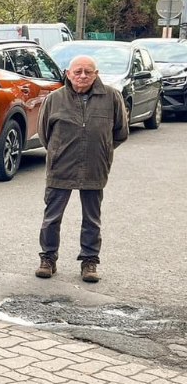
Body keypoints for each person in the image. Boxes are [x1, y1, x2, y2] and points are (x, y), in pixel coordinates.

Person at [35, 54, 128, 283]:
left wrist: (103, 150)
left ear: (96, 74)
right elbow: (44, 134)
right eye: (78, 71)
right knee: (51, 218)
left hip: (95, 166)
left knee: (92, 219)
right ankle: (48, 259)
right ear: (68, 73)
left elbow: (120, 132)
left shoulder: (112, 97)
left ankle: (90, 262)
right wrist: (60, 151)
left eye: (88, 72)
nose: (83, 76)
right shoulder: (55, 99)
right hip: (61, 167)